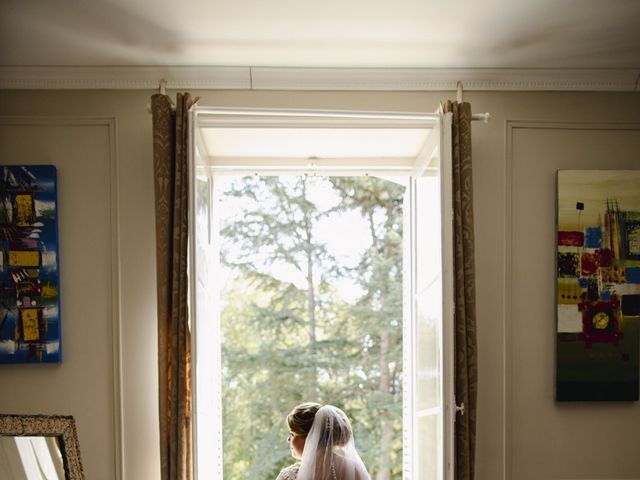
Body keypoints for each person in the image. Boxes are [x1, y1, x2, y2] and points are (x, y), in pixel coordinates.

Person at [276, 402, 370, 480]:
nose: (288, 440)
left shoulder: (288, 477)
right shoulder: (353, 469)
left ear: (310, 437)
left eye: (292, 434)